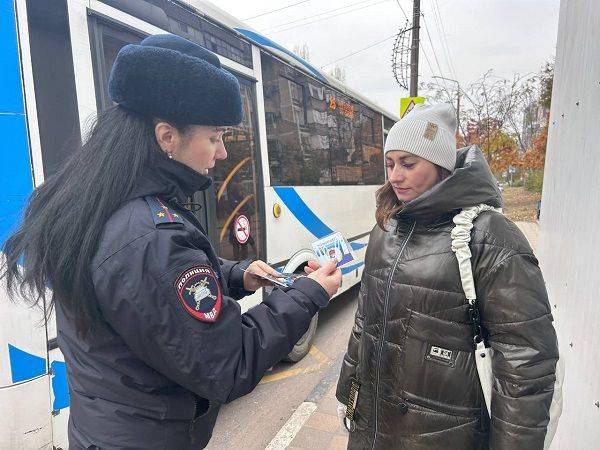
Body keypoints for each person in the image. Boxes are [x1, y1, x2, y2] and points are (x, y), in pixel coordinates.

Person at [2, 34, 341, 449]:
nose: (220, 153)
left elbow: (144, 293)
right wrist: (308, 295)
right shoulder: (150, 234)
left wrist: (236, 274)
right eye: (215, 137)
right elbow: (228, 363)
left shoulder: (98, 204)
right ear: (166, 136)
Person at [335, 104, 560, 449]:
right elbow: (364, 321)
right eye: (390, 163)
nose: (395, 176)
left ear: (441, 166)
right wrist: (348, 396)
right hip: (373, 430)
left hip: (447, 436)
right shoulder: (385, 228)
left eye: (409, 164)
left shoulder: (489, 236)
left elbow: (526, 360)